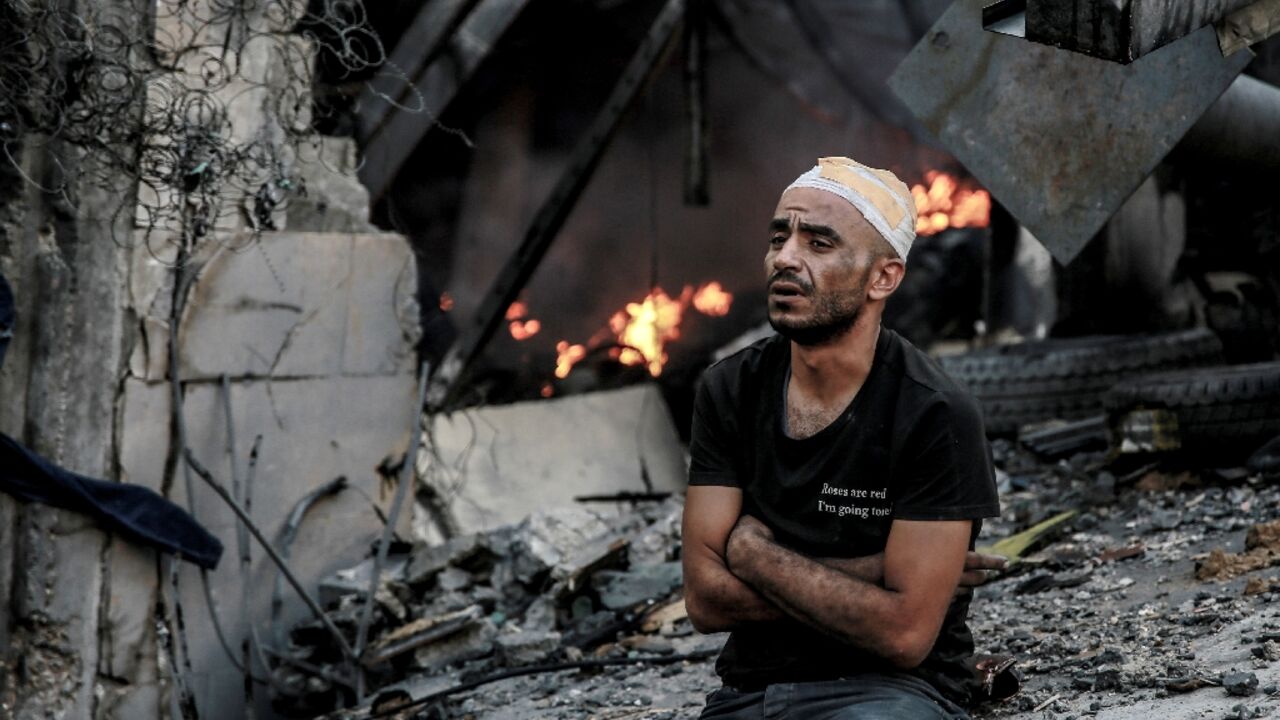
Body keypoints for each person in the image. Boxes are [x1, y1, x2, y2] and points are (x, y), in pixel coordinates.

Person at [682, 157, 1003, 719]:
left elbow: (903, 633)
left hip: (891, 694)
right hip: (749, 695)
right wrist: (872, 574)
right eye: (780, 237)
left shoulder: (934, 411)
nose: (785, 258)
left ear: (884, 277)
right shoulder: (729, 387)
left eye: (819, 244)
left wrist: (753, 555)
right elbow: (705, 601)